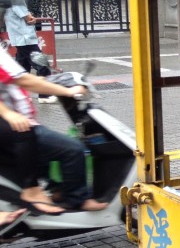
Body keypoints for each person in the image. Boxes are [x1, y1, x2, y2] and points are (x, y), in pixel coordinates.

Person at [0, 50, 108, 213]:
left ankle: (57, 190)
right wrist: (67, 91)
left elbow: (17, 79)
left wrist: (48, 80)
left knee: (47, 149)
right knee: (72, 149)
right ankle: (77, 199)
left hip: (22, 123)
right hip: (17, 126)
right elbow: (22, 79)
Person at [3, 0, 50, 79]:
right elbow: (28, 19)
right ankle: (44, 96)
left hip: (20, 38)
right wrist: (32, 19)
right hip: (25, 39)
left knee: (22, 71)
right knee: (43, 67)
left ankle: (21, 94)